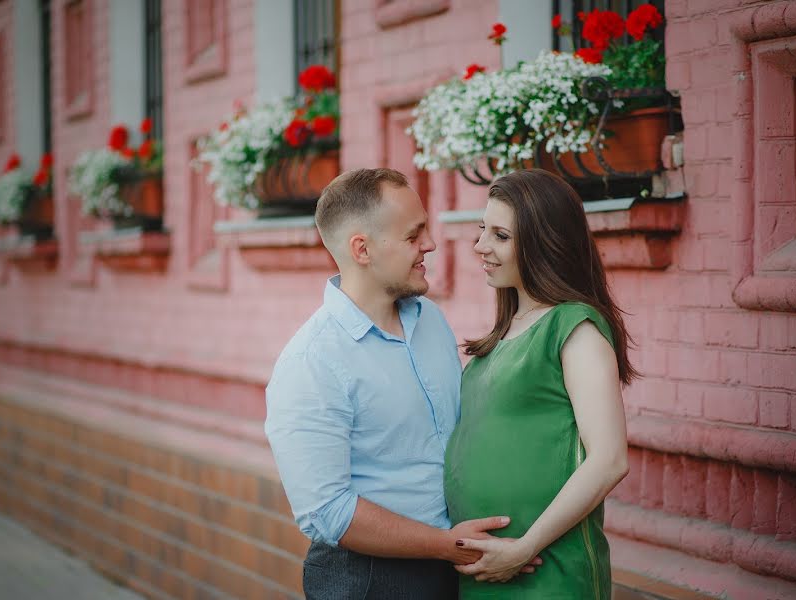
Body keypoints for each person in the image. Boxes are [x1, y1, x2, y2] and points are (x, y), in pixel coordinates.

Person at [265, 168, 538, 600]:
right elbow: (329, 512)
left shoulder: (429, 319)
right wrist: (450, 546)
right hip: (371, 580)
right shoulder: (311, 361)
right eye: (414, 236)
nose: (430, 244)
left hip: (456, 567)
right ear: (362, 249)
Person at [444, 168, 635, 599]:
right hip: (482, 570)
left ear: (543, 241)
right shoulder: (502, 335)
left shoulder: (575, 327)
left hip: (544, 571)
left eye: (500, 236)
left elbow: (609, 460)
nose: (481, 247)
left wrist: (523, 549)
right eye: (482, 231)